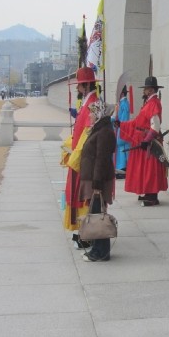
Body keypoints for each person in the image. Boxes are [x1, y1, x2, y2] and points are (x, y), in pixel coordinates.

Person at [117, 76, 168, 206]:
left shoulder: (154, 103)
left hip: (149, 141)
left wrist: (147, 140)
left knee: (151, 169)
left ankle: (152, 196)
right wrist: (121, 124)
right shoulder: (149, 103)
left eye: (145, 89)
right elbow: (137, 121)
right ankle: (148, 193)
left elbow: (155, 125)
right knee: (145, 169)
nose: (144, 92)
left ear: (150, 90)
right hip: (143, 138)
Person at [63, 67, 100, 249]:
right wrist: (69, 145)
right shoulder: (87, 102)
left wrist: (76, 156)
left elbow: (88, 133)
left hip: (85, 159)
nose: (77, 89)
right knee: (79, 195)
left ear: (86, 85)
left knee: (85, 196)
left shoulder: (93, 103)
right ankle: (83, 232)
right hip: (80, 155)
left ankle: (88, 234)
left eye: (79, 85)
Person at [79, 100, 116, 262]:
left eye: (93, 112)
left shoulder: (105, 132)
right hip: (94, 179)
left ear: (100, 113)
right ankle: (98, 249)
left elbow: (102, 159)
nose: (90, 115)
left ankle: (100, 252)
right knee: (96, 213)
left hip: (98, 181)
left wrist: (97, 184)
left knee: (98, 214)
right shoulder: (99, 129)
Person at [113, 85, 130, 179]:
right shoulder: (122, 104)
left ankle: (122, 169)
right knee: (120, 150)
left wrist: (119, 125)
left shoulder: (124, 104)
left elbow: (123, 120)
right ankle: (120, 169)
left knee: (122, 149)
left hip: (123, 128)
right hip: (120, 127)